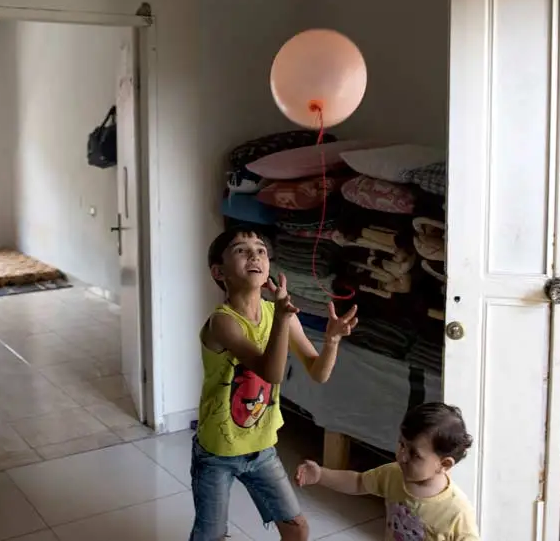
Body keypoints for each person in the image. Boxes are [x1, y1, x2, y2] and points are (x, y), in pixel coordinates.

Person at [190, 227, 359, 541]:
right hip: (217, 451)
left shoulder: (278, 314)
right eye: (242, 249)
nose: (255, 254)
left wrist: (332, 341)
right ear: (219, 271)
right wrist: (281, 319)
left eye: (261, 250)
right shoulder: (222, 322)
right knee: (209, 535)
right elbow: (272, 373)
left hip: (262, 448)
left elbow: (318, 372)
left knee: (297, 528)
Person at [295, 402, 478, 541]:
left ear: (444, 464)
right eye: (402, 445)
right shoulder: (393, 474)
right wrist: (320, 474)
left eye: (414, 454)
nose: (402, 456)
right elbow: (358, 482)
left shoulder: (457, 513)